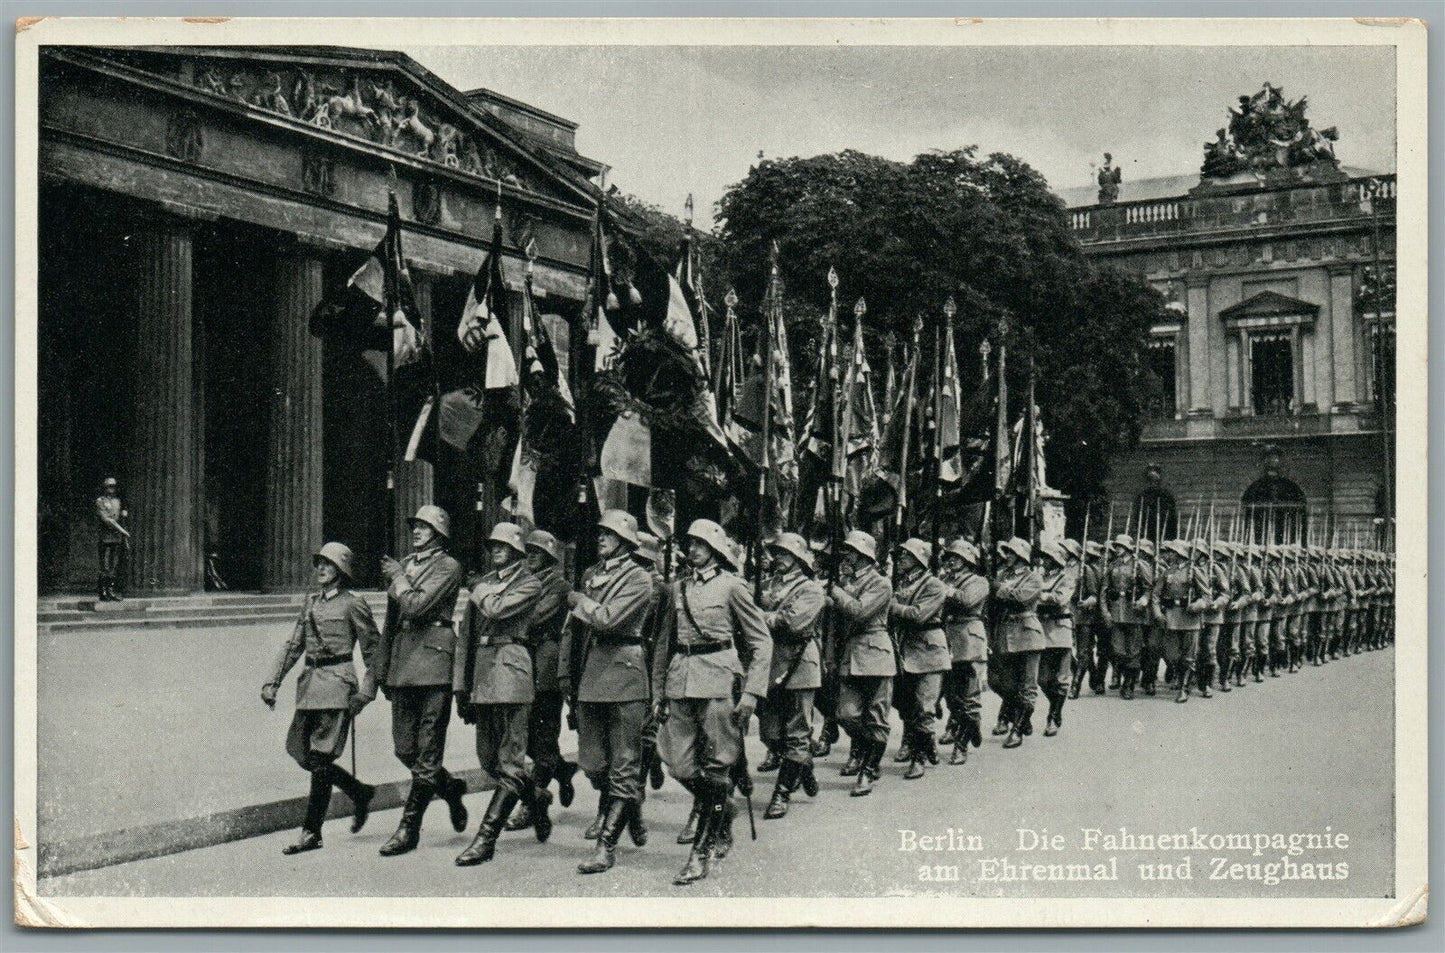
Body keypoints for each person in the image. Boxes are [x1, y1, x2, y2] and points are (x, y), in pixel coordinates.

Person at [654, 519, 771, 886]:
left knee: (717, 768)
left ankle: (700, 853)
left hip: (719, 679)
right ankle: (724, 808)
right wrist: (658, 691)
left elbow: (760, 641)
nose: (693, 550)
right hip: (680, 679)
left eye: (701, 544)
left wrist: (751, 692)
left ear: (716, 549)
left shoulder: (733, 587)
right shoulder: (676, 589)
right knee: (679, 765)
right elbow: (663, 644)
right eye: (690, 543)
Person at [363, 505, 469, 857]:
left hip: (435, 665)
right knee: (404, 749)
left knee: (426, 752)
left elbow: (416, 606)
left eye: (424, 526)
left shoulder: (448, 567)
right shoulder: (408, 565)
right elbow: (393, 623)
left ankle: (409, 828)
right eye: (415, 526)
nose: (417, 531)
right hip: (404, 666)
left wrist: (397, 577)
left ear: (440, 533)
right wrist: (380, 672)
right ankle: (450, 788)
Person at [261, 543, 379, 855]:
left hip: (338, 685)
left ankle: (311, 832)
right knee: (300, 751)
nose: (321, 569)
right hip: (310, 685)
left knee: (321, 759)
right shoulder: (310, 603)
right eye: (319, 564)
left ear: (341, 571)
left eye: (328, 564)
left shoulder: (354, 604)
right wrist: (273, 681)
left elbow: (373, 652)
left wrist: (366, 693)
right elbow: (293, 645)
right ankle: (359, 791)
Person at [557, 509, 655, 876]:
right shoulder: (591, 576)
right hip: (591, 675)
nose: (600, 538)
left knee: (625, 762)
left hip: (625, 673)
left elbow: (607, 618)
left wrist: (577, 600)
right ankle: (630, 805)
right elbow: (575, 631)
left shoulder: (640, 578)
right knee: (593, 763)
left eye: (609, 534)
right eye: (600, 533)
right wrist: (567, 673)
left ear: (626, 542)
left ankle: (606, 847)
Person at [451, 522, 547, 866]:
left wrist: (476, 588)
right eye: (493, 546)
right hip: (484, 676)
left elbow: (496, 609)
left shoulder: (529, 583)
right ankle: (536, 798)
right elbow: (466, 635)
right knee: (488, 760)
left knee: (509, 762)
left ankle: (485, 839)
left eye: (502, 547)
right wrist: (461, 686)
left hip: (512, 671)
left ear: (518, 552)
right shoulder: (485, 584)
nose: (495, 551)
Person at [503, 529, 578, 835]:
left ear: (548, 557)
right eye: (527, 553)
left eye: (535, 553)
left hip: (545, 666)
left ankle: (532, 804)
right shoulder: (524, 581)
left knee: (543, 735)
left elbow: (532, 617)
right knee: (528, 736)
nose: (529, 558)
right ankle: (560, 768)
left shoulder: (558, 585)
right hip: (523, 662)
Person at [757, 532, 824, 819]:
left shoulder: (811, 589)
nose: (778, 558)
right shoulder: (766, 585)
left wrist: (760, 616)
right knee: (770, 732)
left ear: (799, 558)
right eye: (776, 553)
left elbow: (793, 623)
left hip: (799, 663)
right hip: (770, 663)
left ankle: (781, 793)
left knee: (797, 731)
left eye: (784, 554)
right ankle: (802, 764)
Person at [825, 530, 894, 797]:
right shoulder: (844, 583)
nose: (847, 556)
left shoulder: (880, 583)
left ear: (864, 556)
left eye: (852, 552)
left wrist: (835, 592)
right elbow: (835, 622)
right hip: (850, 654)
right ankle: (868, 752)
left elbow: (860, 611)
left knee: (876, 718)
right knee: (846, 714)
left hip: (875, 654)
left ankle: (868, 770)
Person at [888, 537, 950, 779]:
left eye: (905, 556)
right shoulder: (902, 582)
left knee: (924, 707)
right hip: (906, 649)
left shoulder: (934, 585)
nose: (899, 560)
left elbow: (919, 614)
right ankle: (925, 742)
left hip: (929, 650)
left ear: (918, 560)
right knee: (907, 706)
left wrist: (891, 606)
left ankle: (919, 757)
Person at [939, 538, 989, 766]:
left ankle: (961, 745)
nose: (951, 561)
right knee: (951, 696)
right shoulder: (944, 580)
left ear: (968, 560)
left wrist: (945, 591)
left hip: (969, 637)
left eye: (956, 558)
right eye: (949, 557)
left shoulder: (978, 581)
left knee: (969, 696)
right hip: (948, 637)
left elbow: (967, 601)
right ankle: (970, 725)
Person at [992, 537, 1044, 749]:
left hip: (1027, 633)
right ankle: (1022, 717)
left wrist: (999, 589)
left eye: (1012, 553)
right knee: (1002, 683)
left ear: (1022, 556)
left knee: (1027, 685)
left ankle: (1018, 729)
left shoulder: (1034, 578)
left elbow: (1021, 598)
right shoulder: (1003, 575)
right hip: (1006, 632)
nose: (1008, 557)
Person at [1151, 540, 1208, 703]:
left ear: (1179, 554)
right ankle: (1181, 676)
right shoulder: (1168, 572)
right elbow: (1156, 595)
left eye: (1172, 552)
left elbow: (1207, 596)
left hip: (1190, 619)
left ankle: (1184, 689)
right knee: (1171, 654)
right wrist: (1157, 613)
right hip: (1171, 618)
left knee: (1189, 657)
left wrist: (1197, 605)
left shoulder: (1194, 572)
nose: (1168, 555)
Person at [1035, 540, 1078, 736]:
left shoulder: (1066, 578)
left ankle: (1053, 716)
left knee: (1061, 678)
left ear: (1056, 560)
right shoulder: (1039, 577)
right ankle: (1056, 705)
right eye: (1044, 557)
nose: (1044, 561)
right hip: (1042, 630)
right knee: (1043, 679)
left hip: (1060, 630)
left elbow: (1060, 599)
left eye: (1048, 558)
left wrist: (1039, 596)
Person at [1104, 534, 1152, 700]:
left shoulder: (1140, 565)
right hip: (1117, 611)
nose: (1117, 549)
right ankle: (1123, 677)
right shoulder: (1112, 565)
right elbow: (1104, 590)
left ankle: (1129, 684)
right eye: (1116, 546)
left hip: (1134, 613)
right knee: (1117, 650)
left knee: (1134, 651)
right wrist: (1105, 611)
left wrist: (1144, 599)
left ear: (1128, 549)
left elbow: (1148, 588)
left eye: (1121, 546)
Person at [1071, 539, 1106, 698]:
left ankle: (1076, 686)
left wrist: (1086, 602)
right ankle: (1095, 676)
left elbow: (1094, 595)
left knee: (1086, 652)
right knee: (1085, 652)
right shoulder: (1074, 570)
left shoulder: (1088, 571)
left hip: (1089, 616)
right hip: (1079, 616)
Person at [93, 477, 129, 601]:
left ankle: (111, 591)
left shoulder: (118, 502)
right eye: (109, 486)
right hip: (105, 537)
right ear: (104, 487)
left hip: (116, 537)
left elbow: (120, 518)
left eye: (113, 486)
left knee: (113, 566)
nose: (111, 488)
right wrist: (122, 530)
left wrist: (124, 518)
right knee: (105, 565)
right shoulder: (100, 501)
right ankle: (103, 591)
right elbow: (107, 519)